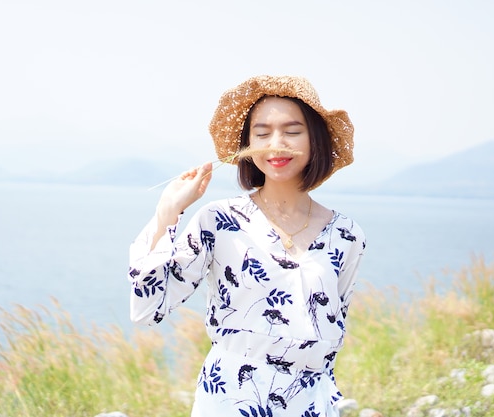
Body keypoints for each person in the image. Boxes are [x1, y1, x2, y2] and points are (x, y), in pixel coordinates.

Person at [128, 75, 366, 416]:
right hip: (230, 398)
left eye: (293, 130)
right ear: (248, 143)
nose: (276, 143)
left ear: (315, 140)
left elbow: (331, 330)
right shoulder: (220, 220)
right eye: (262, 131)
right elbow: (147, 309)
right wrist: (168, 212)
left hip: (309, 402)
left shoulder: (346, 234)